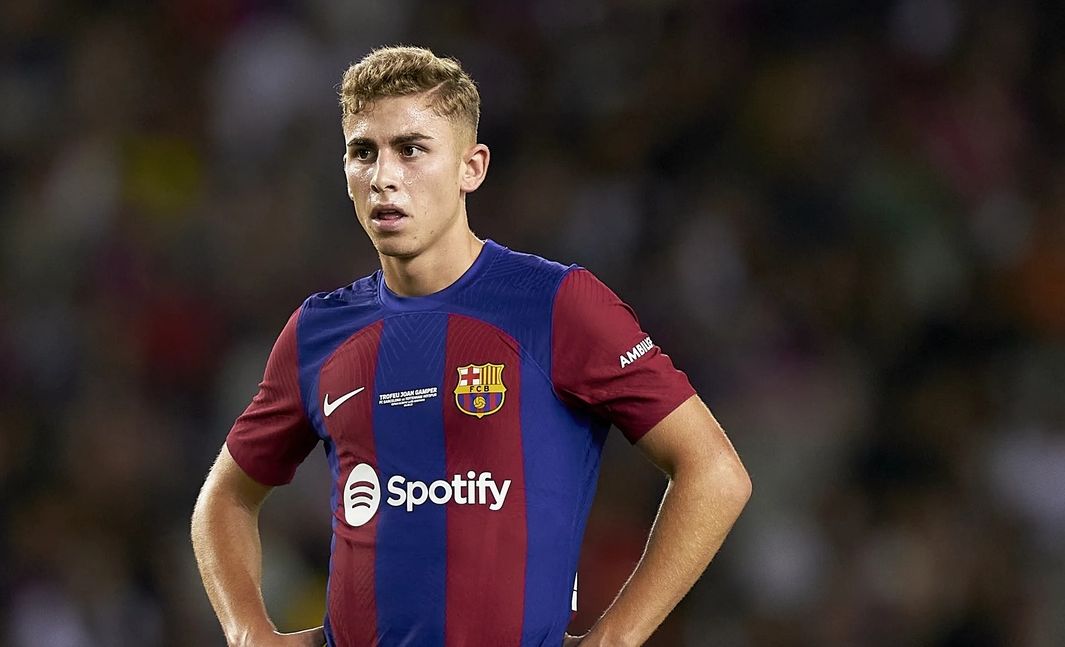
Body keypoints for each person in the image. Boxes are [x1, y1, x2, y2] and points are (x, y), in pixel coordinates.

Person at [191, 46, 752, 647]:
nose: (383, 177)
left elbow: (715, 472)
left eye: (411, 149)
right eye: (364, 152)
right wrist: (248, 633)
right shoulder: (318, 331)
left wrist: (614, 638)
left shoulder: (557, 305)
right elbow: (224, 498)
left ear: (471, 168)